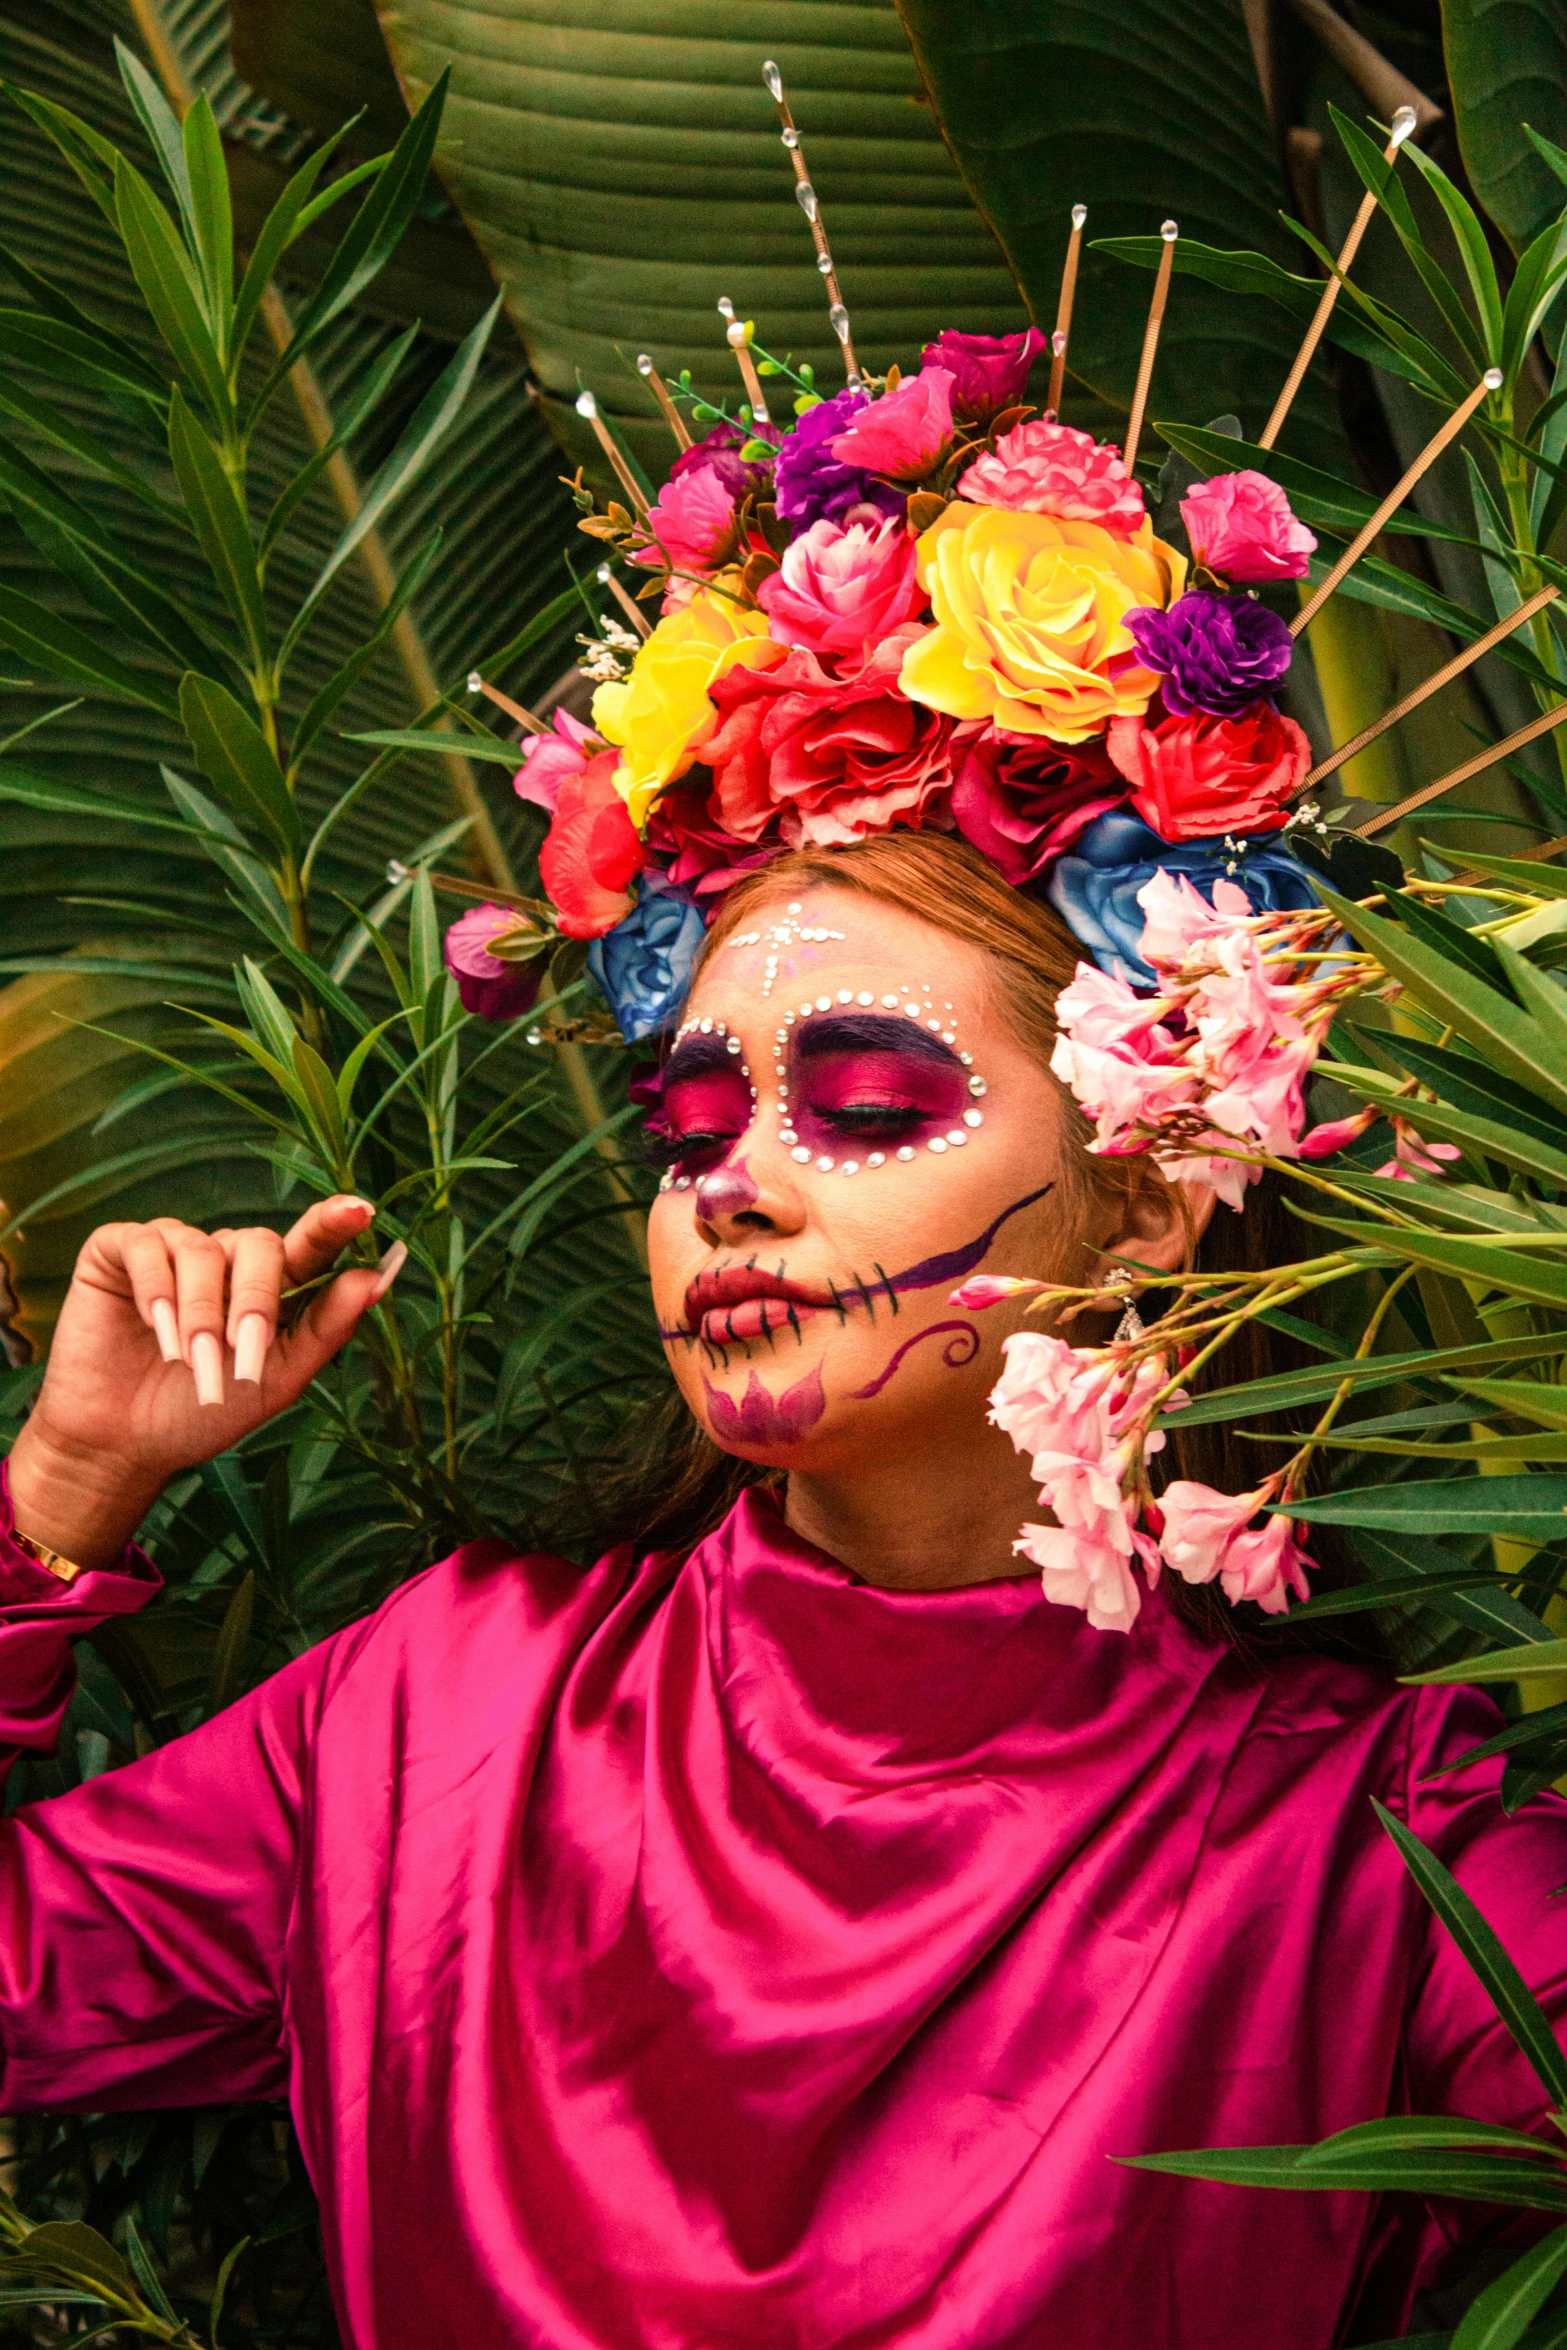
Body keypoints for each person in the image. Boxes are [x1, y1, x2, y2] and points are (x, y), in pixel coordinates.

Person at [2, 832, 1564, 2349]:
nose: (726, 1188)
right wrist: (65, 1485)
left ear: (1150, 1194)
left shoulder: (1371, 1841)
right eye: (683, 1132)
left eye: (868, 1107)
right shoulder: (443, 1703)